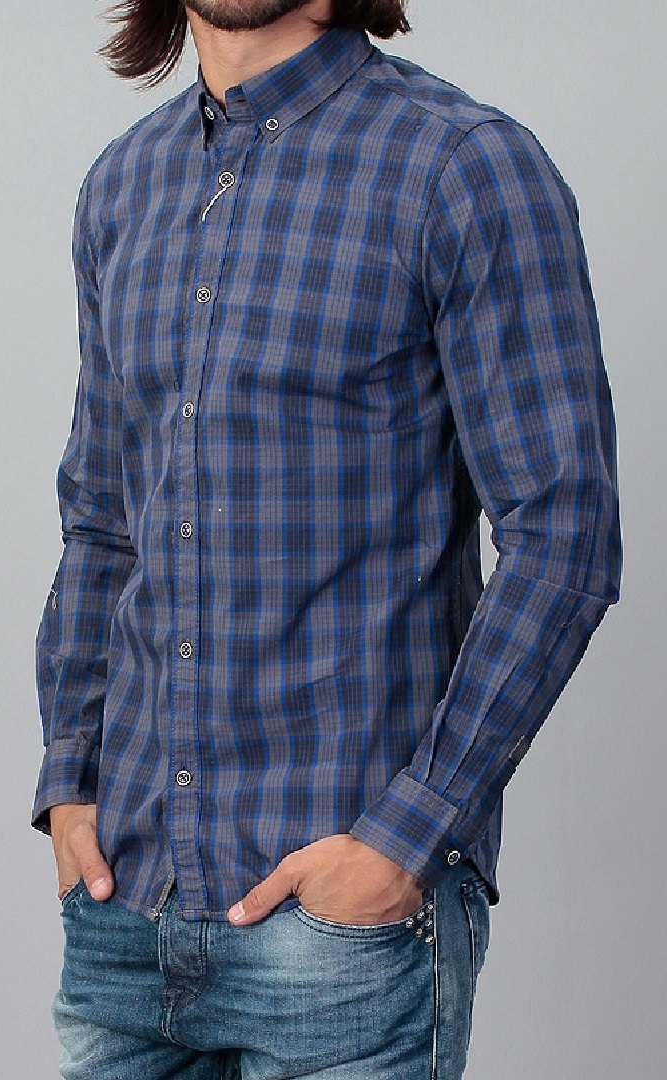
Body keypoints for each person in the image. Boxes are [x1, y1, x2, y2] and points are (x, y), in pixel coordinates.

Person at [33, 0, 621, 1076]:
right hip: (125, 915)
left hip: (343, 940)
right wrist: (69, 782)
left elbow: (564, 531)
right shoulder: (121, 186)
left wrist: (411, 834)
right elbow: (102, 520)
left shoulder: (462, 167)